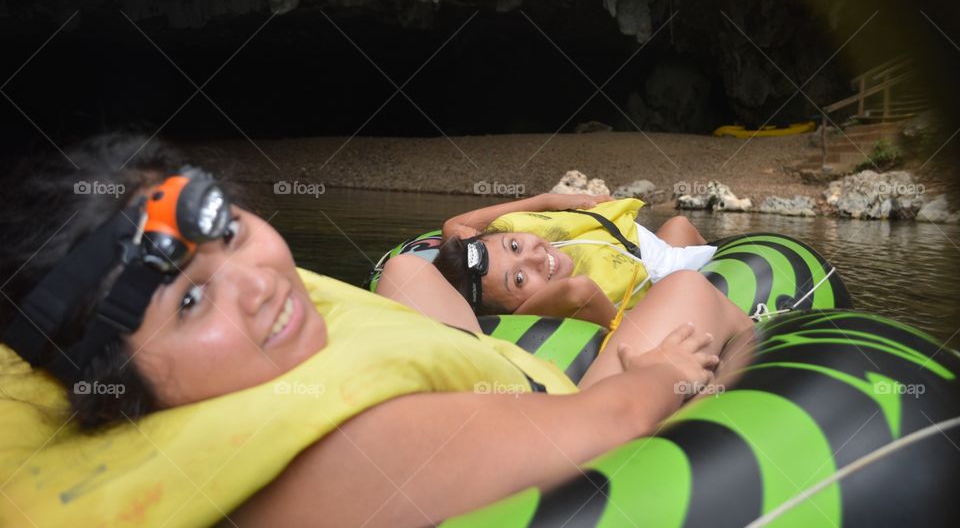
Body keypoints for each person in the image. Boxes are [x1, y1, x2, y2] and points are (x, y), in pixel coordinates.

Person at [0, 134, 749, 527]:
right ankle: (755, 348)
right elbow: (605, 416)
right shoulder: (333, 456)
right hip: (553, 399)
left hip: (465, 355)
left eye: (227, 231)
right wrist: (657, 373)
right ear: (117, 385)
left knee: (407, 274)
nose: (259, 284)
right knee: (687, 290)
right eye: (191, 303)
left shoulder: (176, 392)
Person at [375, 192, 753, 385]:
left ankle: (722, 262)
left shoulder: (474, 253)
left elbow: (455, 224)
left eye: (514, 246)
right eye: (520, 281)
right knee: (689, 273)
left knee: (681, 224)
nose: (536, 257)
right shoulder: (547, 300)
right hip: (651, 270)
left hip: (633, 242)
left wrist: (552, 201)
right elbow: (580, 292)